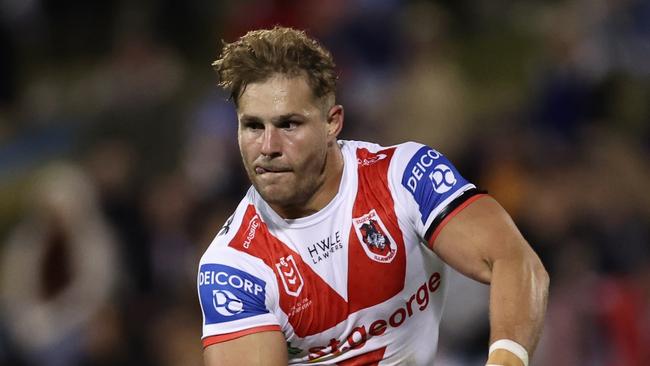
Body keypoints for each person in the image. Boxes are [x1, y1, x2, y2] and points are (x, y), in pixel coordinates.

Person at [196, 26, 549, 366]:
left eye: (289, 124)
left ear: (332, 122)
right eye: (253, 126)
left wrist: (506, 360)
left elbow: (516, 261)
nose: (268, 147)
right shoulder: (234, 268)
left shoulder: (405, 176)